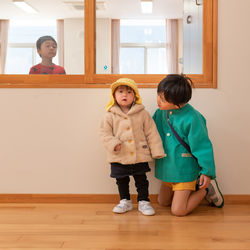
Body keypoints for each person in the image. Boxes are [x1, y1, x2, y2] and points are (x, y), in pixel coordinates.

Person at [153, 74, 224, 216]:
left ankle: (205, 190)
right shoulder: (160, 113)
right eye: (159, 96)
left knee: (178, 211)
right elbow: (150, 132)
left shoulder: (193, 118)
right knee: (162, 202)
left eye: (163, 99)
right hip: (169, 169)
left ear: (178, 103)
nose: (159, 101)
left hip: (185, 170)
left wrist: (206, 172)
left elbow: (202, 146)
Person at [99, 78, 166, 216]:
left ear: (135, 96)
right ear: (114, 96)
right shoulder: (109, 115)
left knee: (141, 180)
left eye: (129, 92)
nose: (125, 95)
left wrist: (157, 151)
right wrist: (113, 144)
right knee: (121, 180)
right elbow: (104, 134)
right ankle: (125, 201)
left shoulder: (142, 114)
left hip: (139, 154)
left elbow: (151, 132)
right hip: (119, 154)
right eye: (121, 92)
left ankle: (144, 201)